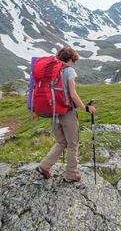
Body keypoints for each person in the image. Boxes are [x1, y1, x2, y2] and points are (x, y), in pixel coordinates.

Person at [36, 47, 96, 183]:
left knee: (62, 142)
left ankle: (44, 166)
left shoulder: (53, 70)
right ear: (72, 58)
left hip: (53, 112)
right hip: (67, 112)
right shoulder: (69, 70)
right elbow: (73, 94)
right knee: (73, 144)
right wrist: (85, 108)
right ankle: (71, 175)